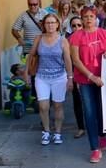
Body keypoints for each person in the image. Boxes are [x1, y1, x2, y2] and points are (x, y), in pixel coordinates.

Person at [69, 6, 106, 163]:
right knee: (89, 112)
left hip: (104, 79)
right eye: (85, 17)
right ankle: (94, 148)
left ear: (95, 18)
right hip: (86, 80)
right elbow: (76, 60)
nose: (88, 19)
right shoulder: (76, 37)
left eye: (91, 16)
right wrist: (91, 76)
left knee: (102, 110)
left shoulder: (105, 34)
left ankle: (102, 134)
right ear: (81, 19)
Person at [28, 14, 73, 145]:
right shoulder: (38, 38)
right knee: (43, 106)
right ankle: (46, 131)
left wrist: (70, 78)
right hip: (41, 77)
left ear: (58, 24)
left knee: (58, 105)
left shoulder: (62, 40)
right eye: (48, 23)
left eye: (53, 22)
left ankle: (58, 132)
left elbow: (68, 60)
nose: (50, 25)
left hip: (59, 77)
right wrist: (26, 73)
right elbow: (31, 56)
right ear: (44, 25)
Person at [66, 16, 85, 138]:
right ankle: (81, 127)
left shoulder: (89, 37)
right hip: (75, 73)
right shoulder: (68, 40)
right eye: (74, 25)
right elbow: (68, 61)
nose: (77, 28)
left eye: (79, 25)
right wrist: (71, 77)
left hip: (90, 73)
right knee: (77, 101)